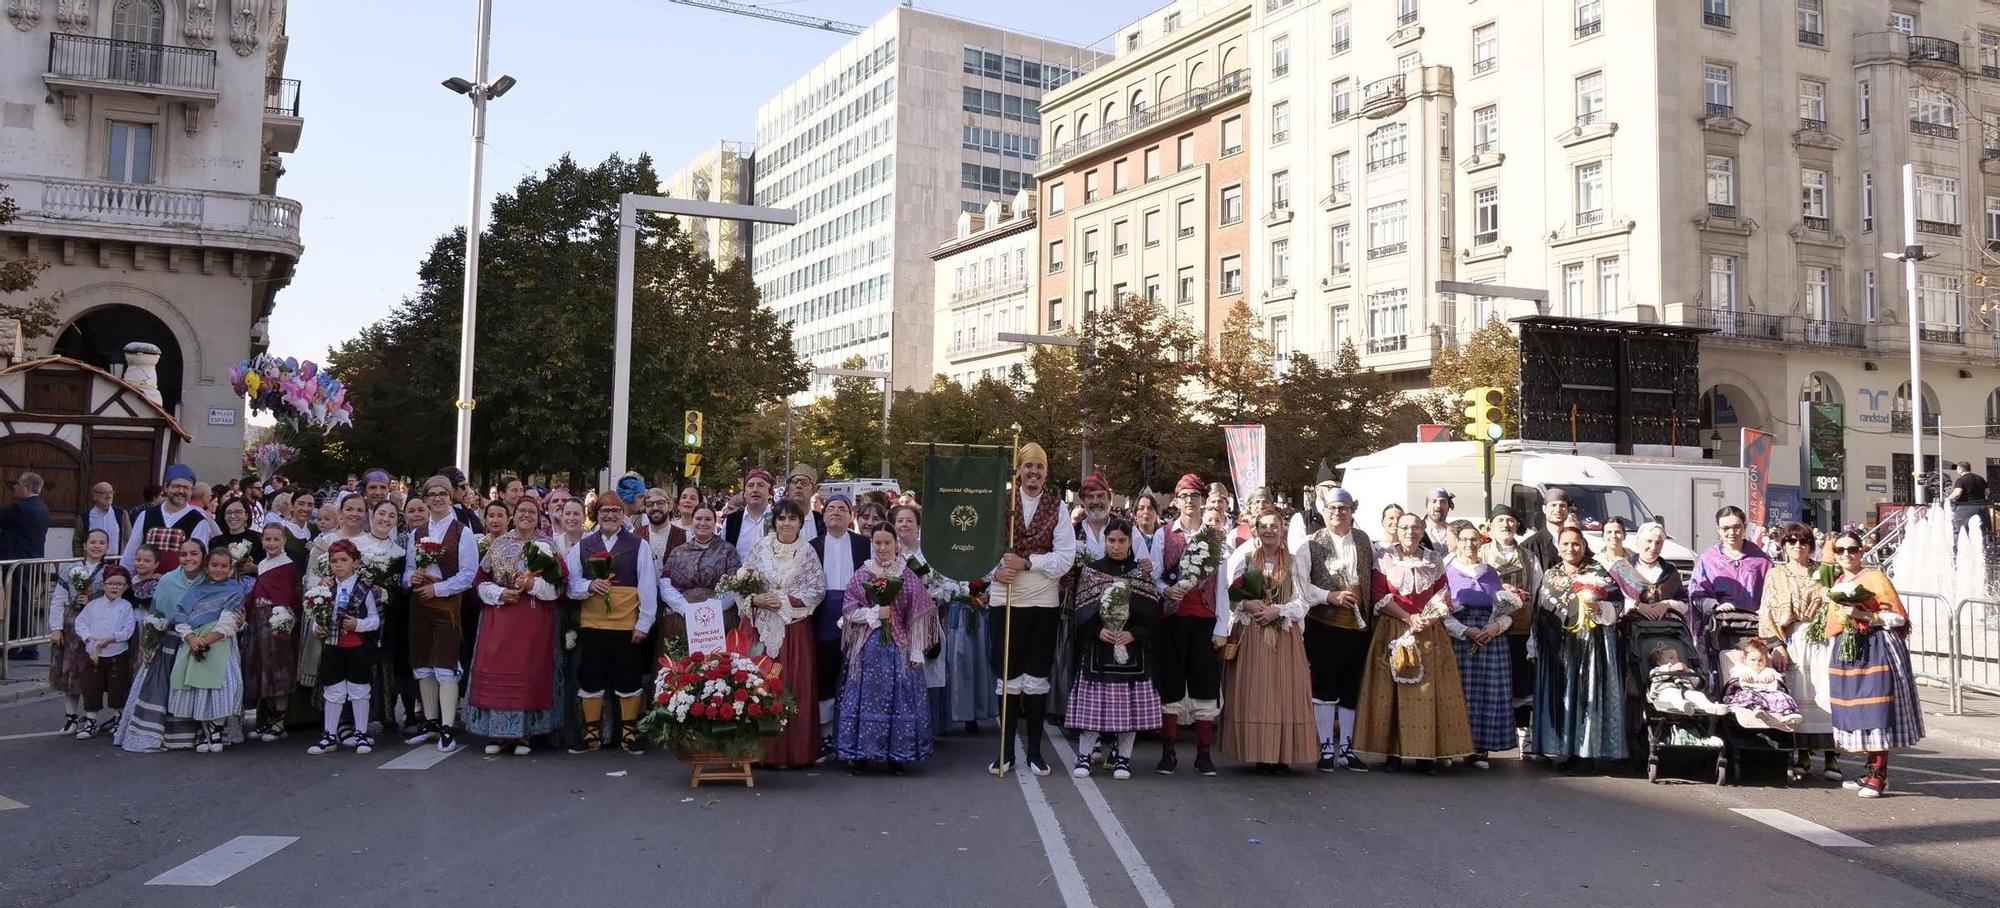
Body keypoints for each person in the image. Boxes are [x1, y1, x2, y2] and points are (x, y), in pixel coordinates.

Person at [1356, 513, 1474, 773]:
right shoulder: (1385, 557)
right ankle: (1393, 753)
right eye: (1405, 527)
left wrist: (1429, 617)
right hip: (1394, 628)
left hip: (1428, 631)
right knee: (1392, 692)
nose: (1410, 531)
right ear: (1396, 530)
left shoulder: (1433, 559)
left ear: (1423, 531)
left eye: (1416, 527)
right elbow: (1378, 595)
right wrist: (1408, 617)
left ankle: (1426, 755)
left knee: (1428, 692)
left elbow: (1444, 593)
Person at [988, 442, 1076, 777]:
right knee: (1007, 675)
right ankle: (1005, 751)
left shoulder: (1058, 508)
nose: (1033, 472)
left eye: (1039, 467)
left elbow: (1065, 557)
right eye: (1028, 466)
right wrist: (995, 569)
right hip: (1005, 597)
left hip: (1042, 601)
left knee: (1037, 676)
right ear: (1019, 469)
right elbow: (984, 549)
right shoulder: (1002, 502)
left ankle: (1036, 752)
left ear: (1046, 472)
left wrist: (1027, 562)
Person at [1824, 531, 1925, 798]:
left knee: (1877, 709)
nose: (1847, 554)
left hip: (1876, 646)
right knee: (1857, 710)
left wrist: (1862, 614)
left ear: (1862, 551)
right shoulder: (1837, 580)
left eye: (1853, 549)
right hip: (1848, 649)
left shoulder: (1875, 578)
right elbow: (1833, 620)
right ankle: (1869, 771)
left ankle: (1879, 773)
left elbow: (1898, 618)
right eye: (1841, 550)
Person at [463, 497, 565, 756]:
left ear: (539, 516)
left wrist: (534, 586)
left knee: (528, 672)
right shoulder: (498, 544)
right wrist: (498, 593)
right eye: (521, 511)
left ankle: (525, 735)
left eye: (531, 511)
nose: (526, 515)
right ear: (513, 515)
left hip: (533, 619)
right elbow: (479, 580)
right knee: (497, 670)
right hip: (500, 617)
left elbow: (560, 585)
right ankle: (498, 734)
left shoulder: (547, 546)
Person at [1215, 512, 1315, 773]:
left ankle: (1280, 754)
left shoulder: (1294, 562)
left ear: (1282, 530)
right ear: (1256, 530)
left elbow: (1302, 601)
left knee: (1282, 694)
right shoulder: (1247, 559)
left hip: (1283, 635)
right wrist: (1246, 602)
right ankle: (1257, 751)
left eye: (1274, 526)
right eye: (1263, 526)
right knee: (1255, 693)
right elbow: (1232, 596)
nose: (1269, 530)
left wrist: (1278, 611)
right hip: (1251, 634)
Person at [564, 491, 661, 755]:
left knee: (628, 679)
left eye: (615, 511)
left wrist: (644, 623)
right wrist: (590, 584)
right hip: (592, 624)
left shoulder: (637, 544)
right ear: (596, 514)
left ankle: (629, 734)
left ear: (623, 515)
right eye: (604, 511)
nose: (610, 515)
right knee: (591, 678)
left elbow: (648, 586)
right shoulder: (583, 545)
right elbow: (570, 584)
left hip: (625, 625)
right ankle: (591, 734)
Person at [836, 525, 937, 774]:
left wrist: (916, 651)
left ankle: (896, 755)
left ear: (896, 544)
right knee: (864, 699)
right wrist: (874, 613)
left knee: (899, 699)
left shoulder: (907, 575)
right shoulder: (863, 573)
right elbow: (849, 610)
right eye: (877, 543)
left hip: (899, 645)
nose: (882, 548)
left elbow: (919, 614)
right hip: (868, 647)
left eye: (886, 543)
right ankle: (860, 754)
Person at [1065, 520, 1161, 780]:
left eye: (1122, 541)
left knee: (1128, 707)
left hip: (1132, 651)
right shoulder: (1092, 572)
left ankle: (1123, 758)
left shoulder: (1140, 574)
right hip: (1099, 649)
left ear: (1130, 543)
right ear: (1105, 542)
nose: (1116, 546)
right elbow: (1081, 613)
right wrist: (1098, 631)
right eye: (1111, 541)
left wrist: (1133, 634)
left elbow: (1151, 616)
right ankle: (1084, 755)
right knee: (1093, 706)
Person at [1532, 527, 1627, 770]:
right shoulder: (1551, 574)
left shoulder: (1596, 571)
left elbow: (1619, 603)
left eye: (1576, 544)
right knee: (1561, 698)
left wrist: (1601, 609)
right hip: (1556, 649)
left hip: (1588, 647)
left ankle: (1584, 754)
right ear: (1558, 547)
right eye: (1565, 544)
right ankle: (1559, 748)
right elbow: (1539, 609)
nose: (1570, 549)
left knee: (1585, 697)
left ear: (1584, 546)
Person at [1294, 487, 1374, 772]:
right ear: (1323, 512)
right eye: (1332, 509)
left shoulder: (1364, 541)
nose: (1338, 513)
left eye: (1343, 508)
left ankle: (1347, 748)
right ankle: (1326, 746)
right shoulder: (1310, 543)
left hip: (1358, 625)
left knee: (1351, 686)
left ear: (1352, 510)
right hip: (1325, 623)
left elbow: (1370, 579)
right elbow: (1300, 584)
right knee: (1325, 685)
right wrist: (1330, 596)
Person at [745, 498, 827, 768]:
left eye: (793, 518)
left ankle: (791, 753)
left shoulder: (807, 552)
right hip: (760, 627)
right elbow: (743, 580)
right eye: (782, 518)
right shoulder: (761, 548)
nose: (787, 523)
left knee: (791, 687)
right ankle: (757, 751)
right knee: (759, 686)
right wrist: (756, 599)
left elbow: (816, 590)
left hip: (793, 630)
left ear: (800, 523)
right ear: (775, 522)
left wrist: (782, 600)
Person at [1759, 520, 1840, 782]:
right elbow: (1766, 610)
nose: (1798, 546)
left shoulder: (1823, 571)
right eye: (1791, 541)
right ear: (1783, 545)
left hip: (1822, 638)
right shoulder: (1776, 574)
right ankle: (1802, 753)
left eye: (1804, 541)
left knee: (1827, 694)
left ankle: (1832, 755)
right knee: (1802, 695)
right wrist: (1775, 644)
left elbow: (1837, 602)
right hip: (1794, 639)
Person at [404, 475, 479, 752]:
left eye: (443, 494)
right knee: (422, 663)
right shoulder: (416, 533)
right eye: (432, 494)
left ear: (451, 498)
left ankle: (448, 726)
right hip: (419, 604)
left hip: (446, 603)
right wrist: (410, 579)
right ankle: (431, 721)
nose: (437, 498)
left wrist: (439, 589)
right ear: (425, 499)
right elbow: (408, 570)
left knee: (445, 663)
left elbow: (468, 575)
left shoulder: (463, 532)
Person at [115, 538, 209, 752]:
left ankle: (200, 733)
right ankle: (160, 733)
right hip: (171, 642)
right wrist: (148, 645)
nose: (189, 558)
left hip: (201, 642)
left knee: (196, 688)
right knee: (161, 686)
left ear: (203, 556)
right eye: (184, 554)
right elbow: (156, 614)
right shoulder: (167, 581)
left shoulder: (210, 580)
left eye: (194, 554)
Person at [1443, 521, 1520, 769]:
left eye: (1474, 539)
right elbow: (1441, 611)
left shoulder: (1491, 572)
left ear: (1481, 542)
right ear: (1457, 542)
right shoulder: (1446, 569)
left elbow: (1505, 610)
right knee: (1458, 693)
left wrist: (1496, 627)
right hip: (1460, 635)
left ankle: (1479, 750)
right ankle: (1451, 747)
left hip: (1490, 636)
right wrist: (1465, 631)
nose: (1469, 544)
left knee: (1486, 694)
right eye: (1464, 539)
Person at [169, 547, 253, 754]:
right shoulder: (196, 591)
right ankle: (205, 731)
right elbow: (180, 615)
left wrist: (207, 640)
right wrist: (190, 638)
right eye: (214, 565)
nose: (218, 569)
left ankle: (216, 728)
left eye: (224, 566)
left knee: (223, 686)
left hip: (219, 641)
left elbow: (230, 621)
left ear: (230, 568)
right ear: (207, 566)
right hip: (194, 640)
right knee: (199, 688)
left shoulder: (235, 590)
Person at [307, 540, 382, 755]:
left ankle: (361, 733)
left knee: (359, 689)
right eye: (334, 561)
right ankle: (329, 734)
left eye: (343, 560)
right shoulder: (326, 588)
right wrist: (316, 628)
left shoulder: (364, 589)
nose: (338, 565)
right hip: (333, 644)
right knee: (333, 690)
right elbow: (317, 615)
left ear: (355, 562)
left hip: (357, 645)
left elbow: (375, 620)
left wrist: (358, 624)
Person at [809, 494, 869, 762]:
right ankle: (825, 737)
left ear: (851, 516)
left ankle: (853, 738)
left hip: (859, 617)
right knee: (825, 677)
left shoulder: (864, 545)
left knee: (856, 678)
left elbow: (878, 578)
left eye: (842, 509)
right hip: (823, 618)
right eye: (830, 508)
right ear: (823, 515)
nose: (835, 513)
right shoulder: (811, 546)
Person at [242, 524, 301, 742]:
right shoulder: (264, 564)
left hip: (278, 621)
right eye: (268, 539)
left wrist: (285, 621)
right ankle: (267, 719)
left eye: (277, 539)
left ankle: (279, 721)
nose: (272, 543)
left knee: (279, 670)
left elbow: (289, 595)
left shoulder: (287, 565)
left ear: (284, 540)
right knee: (262, 669)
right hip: (259, 619)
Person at [48, 528, 111, 733]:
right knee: (69, 670)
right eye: (92, 542)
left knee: (92, 671)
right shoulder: (70, 569)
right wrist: (56, 628)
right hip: (72, 624)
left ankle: (91, 715)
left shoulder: (109, 571)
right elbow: (58, 600)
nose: (96, 546)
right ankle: (71, 716)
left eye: (101, 543)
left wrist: (92, 599)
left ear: (107, 547)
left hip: (97, 624)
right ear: (85, 545)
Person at [71, 563, 136, 739]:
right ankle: (91, 720)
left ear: (126, 586)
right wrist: (88, 637)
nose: (114, 587)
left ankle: (118, 718)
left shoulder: (126, 607)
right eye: (111, 583)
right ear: (103, 585)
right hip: (94, 654)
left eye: (119, 584)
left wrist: (113, 638)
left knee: (118, 687)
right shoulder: (93, 605)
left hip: (117, 653)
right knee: (91, 686)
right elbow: (81, 622)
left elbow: (128, 629)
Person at [1690, 506, 1771, 615]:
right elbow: (1697, 594)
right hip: (1719, 626)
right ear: (1718, 529)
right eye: (1725, 528)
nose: (1732, 532)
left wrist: (1766, 609)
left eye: (1736, 527)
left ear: (1744, 527)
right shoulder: (1708, 560)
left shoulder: (1762, 561)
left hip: (1753, 625)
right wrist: (1715, 606)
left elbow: (1774, 592)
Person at [1722, 638, 1803, 726]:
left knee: (1781, 696)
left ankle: (1788, 713)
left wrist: (1772, 678)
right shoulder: (1742, 669)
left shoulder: (1768, 671)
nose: (1757, 663)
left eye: (1760, 660)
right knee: (1748, 695)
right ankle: (1758, 709)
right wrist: (1742, 676)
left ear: (1765, 660)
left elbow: (1779, 680)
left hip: (1766, 694)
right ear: (1745, 660)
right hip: (1749, 691)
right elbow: (1733, 677)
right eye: (1753, 660)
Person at [1645, 646, 1726, 717]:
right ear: (1659, 662)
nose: (1676, 660)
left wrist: (1687, 672)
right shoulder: (1657, 670)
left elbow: (1696, 683)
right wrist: (1670, 669)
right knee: (1672, 694)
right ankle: (1683, 705)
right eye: (1671, 658)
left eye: (1677, 658)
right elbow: (1654, 676)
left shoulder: (1684, 671)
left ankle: (1709, 706)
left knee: (1698, 695)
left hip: (1685, 691)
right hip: (1663, 693)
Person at [725, 469, 776, 562]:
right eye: (750, 485)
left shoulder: (779, 520)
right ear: (744, 493)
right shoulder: (731, 520)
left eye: (760, 485)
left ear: (769, 492)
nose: (755, 490)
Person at [635, 488, 687, 578]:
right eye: (649, 504)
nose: (655, 508)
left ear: (670, 506)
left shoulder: (686, 536)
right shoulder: (634, 535)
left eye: (660, 503)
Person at [1516, 489, 1572, 572]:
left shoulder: (1577, 540)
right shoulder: (1529, 545)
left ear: (1568, 510)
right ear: (1544, 509)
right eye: (1553, 505)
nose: (1558, 509)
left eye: (1562, 505)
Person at [76, 481, 130, 557]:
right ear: (95, 496)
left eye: (111, 493)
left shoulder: (122, 514)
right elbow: (77, 542)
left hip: (116, 561)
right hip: (92, 561)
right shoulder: (85, 517)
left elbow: (129, 538)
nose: (109, 496)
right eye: (104, 493)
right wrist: (81, 561)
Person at [782, 466, 826, 543]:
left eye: (804, 482)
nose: (798, 486)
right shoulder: (773, 520)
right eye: (794, 482)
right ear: (788, 489)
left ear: (813, 490)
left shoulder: (823, 522)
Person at [1949, 461, 1989, 542]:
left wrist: (1947, 499)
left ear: (1960, 469)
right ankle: (1985, 549)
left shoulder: (1961, 480)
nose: (1957, 471)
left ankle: (1958, 551)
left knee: (1961, 530)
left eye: (1957, 469)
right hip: (1982, 507)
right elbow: (1987, 492)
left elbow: (1957, 493)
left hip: (1965, 507)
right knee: (1983, 530)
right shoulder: (1980, 478)